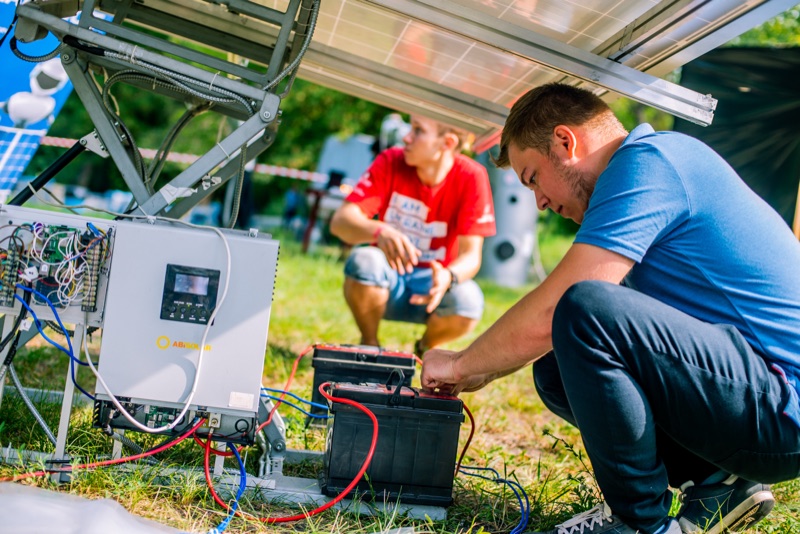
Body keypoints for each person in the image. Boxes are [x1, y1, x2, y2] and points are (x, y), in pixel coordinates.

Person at [420, 83, 800, 534]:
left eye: (533, 177)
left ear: (565, 141)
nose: (538, 200)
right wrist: (487, 369)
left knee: (584, 309)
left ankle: (640, 523)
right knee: (558, 369)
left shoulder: (649, 163)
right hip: (753, 397)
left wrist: (462, 363)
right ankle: (719, 484)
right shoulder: (644, 169)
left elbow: (562, 306)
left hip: (781, 407)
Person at [329, 115, 496, 355]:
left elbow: (472, 256)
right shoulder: (390, 160)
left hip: (432, 291)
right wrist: (380, 231)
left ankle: (426, 349)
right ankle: (370, 346)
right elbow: (340, 222)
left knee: (468, 300)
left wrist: (449, 277)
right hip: (386, 280)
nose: (406, 137)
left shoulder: (472, 176)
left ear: (446, 143)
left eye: (418, 130)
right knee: (364, 260)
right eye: (410, 127)